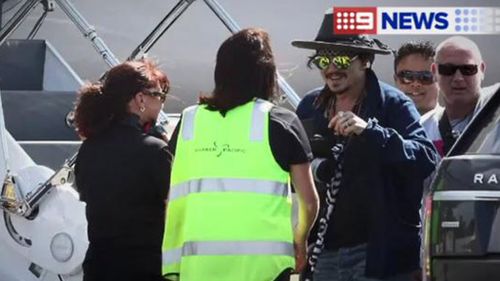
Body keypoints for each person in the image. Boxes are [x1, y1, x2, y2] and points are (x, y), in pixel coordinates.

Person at [291, 9, 438, 281]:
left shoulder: (393, 104)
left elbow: (427, 158)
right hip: (323, 252)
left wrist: (371, 132)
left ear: (366, 60)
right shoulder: (310, 107)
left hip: (379, 256)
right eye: (324, 59)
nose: (332, 68)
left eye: (343, 57)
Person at [162, 28, 319, 281]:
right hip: (264, 270)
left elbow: (171, 195)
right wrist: (299, 239)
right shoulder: (281, 121)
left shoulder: (188, 122)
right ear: (266, 73)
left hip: (197, 267)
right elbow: (309, 202)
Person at [74, 59, 172, 281]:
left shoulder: (89, 148)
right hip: (144, 270)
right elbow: (173, 213)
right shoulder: (155, 150)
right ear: (140, 99)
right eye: (159, 95)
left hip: (98, 268)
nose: (162, 103)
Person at [421, 36, 489, 157]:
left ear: (482, 70)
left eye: (468, 69)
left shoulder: (496, 125)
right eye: (448, 69)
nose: (458, 78)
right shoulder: (423, 129)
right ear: (434, 71)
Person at [393, 41, 439, 115]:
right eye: (407, 76)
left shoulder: (460, 124)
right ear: (396, 80)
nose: (416, 83)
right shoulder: (377, 123)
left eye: (425, 77)